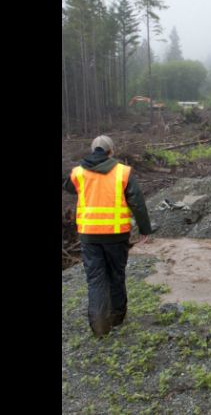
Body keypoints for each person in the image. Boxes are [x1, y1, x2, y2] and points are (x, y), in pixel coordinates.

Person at [63, 135, 152, 337]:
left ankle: (99, 324)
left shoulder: (79, 172)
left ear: (93, 149)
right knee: (116, 275)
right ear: (111, 151)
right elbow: (137, 201)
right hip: (116, 235)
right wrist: (145, 229)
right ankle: (118, 317)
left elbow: (68, 186)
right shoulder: (123, 172)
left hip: (89, 235)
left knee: (95, 279)